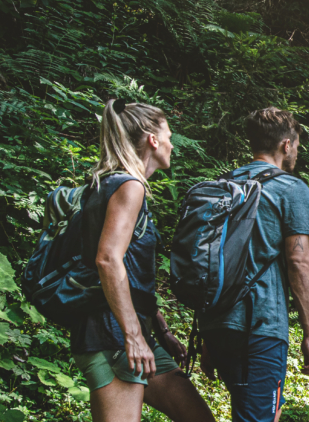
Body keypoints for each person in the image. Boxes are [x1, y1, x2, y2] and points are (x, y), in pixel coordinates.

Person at [77, 99, 212, 422]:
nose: (171, 144)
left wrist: (160, 329)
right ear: (153, 140)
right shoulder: (129, 186)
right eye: (169, 135)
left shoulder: (109, 184)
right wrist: (133, 335)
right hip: (113, 336)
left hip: (130, 333)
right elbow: (108, 260)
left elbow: (132, 271)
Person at [199, 107, 309, 422]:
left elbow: (207, 259)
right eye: (296, 144)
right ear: (286, 145)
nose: (297, 151)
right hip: (260, 326)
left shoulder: (221, 186)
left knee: (262, 412)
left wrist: (205, 333)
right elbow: (299, 261)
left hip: (217, 322)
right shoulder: (290, 189)